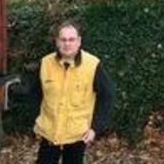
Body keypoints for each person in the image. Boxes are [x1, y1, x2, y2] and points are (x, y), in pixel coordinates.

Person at [31, 21, 113, 164]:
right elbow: (35, 94)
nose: (67, 44)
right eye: (63, 40)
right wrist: (37, 120)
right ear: (57, 41)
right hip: (49, 133)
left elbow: (107, 96)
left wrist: (95, 128)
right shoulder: (45, 63)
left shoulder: (92, 65)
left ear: (79, 41)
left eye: (71, 39)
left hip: (77, 135)